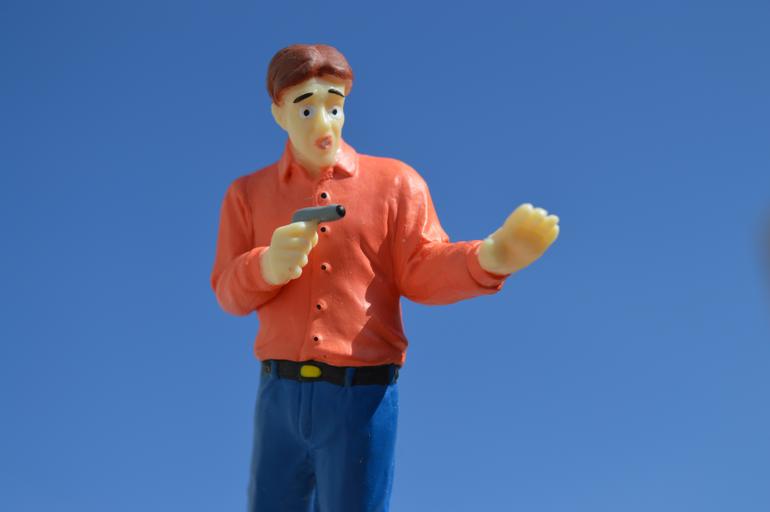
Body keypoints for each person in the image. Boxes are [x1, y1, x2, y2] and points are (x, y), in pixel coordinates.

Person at [211, 43, 560, 512]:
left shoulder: (396, 184)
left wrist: (489, 258)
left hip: (361, 397)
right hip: (279, 395)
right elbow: (228, 291)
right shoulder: (247, 195)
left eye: (335, 107)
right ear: (279, 114)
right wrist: (266, 266)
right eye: (306, 109)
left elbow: (421, 269)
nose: (323, 123)